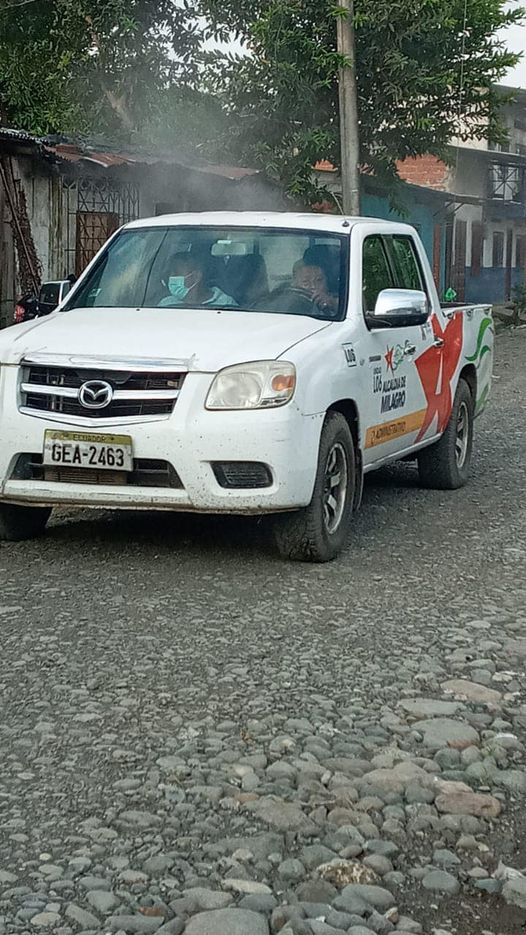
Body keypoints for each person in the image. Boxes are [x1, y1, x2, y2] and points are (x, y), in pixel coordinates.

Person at [159, 252, 237, 308]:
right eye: (170, 274)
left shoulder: (226, 304)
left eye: (176, 273)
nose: (171, 278)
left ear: (196, 276)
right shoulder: (166, 304)